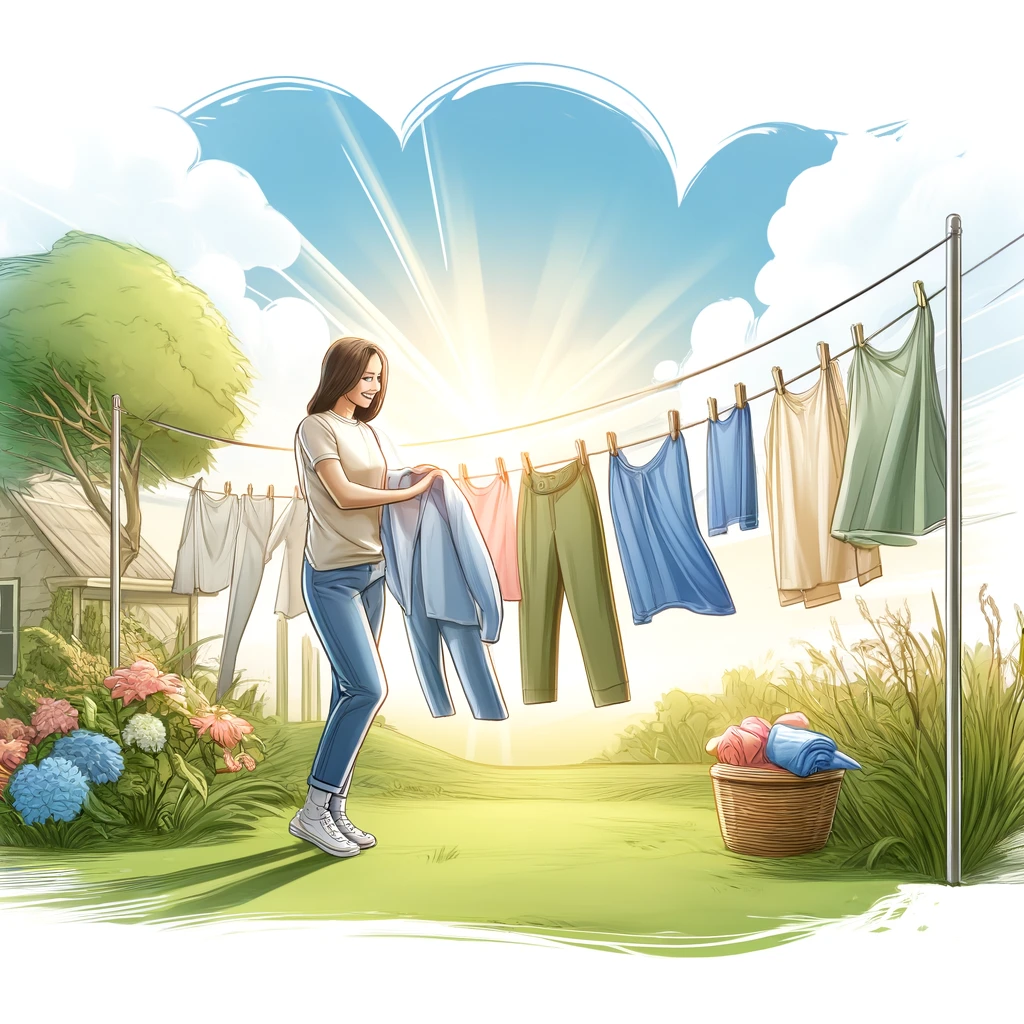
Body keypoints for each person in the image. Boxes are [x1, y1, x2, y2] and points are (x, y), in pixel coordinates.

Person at [289, 336, 439, 858]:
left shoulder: (367, 432)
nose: (373, 386)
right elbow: (344, 494)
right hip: (331, 577)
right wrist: (408, 493)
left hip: (371, 574)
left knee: (345, 692)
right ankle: (312, 810)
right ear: (341, 373)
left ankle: (333, 810)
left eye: (379, 377)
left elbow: (378, 482)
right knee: (369, 689)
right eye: (366, 375)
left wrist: (410, 478)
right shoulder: (316, 427)